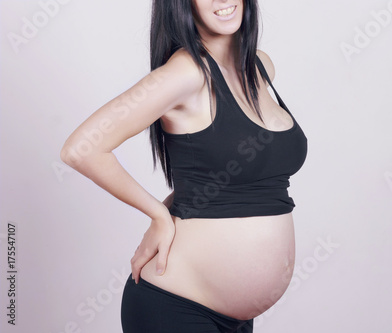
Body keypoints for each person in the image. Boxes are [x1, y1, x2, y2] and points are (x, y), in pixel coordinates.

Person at [60, 0, 308, 332]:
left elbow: (221, 172)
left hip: (237, 319)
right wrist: (158, 215)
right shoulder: (187, 73)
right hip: (177, 308)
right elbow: (81, 149)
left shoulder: (260, 68)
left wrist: (172, 204)